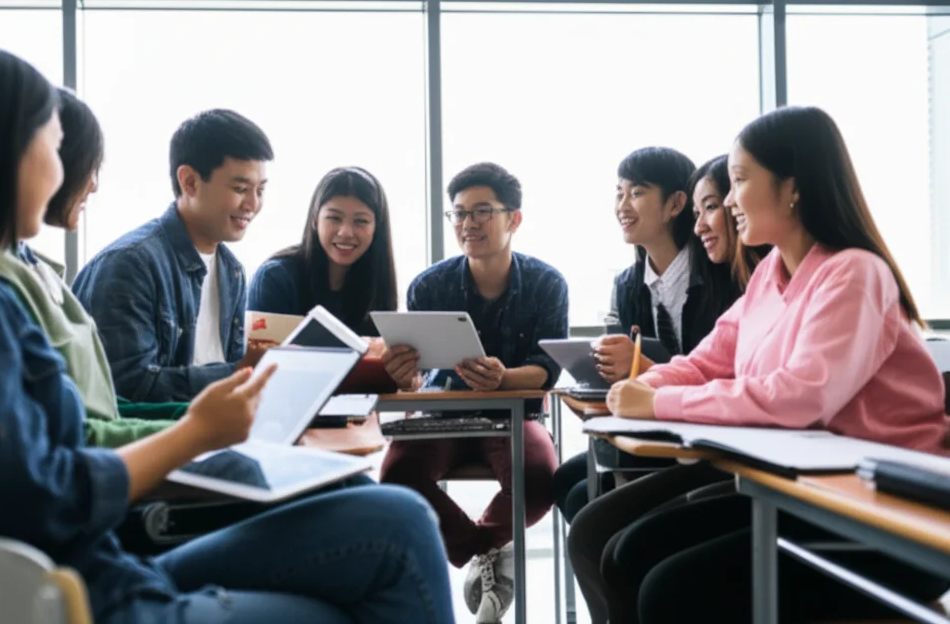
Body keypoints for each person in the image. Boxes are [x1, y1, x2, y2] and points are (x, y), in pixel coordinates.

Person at [0, 38, 456, 624]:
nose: (70, 173)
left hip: (104, 563)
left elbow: (60, 443)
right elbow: (45, 491)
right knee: (391, 532)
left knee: (386, 518)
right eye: (52, 145)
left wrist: (216, 418)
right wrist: (198, 429)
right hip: (99, 582)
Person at [607, 106, 950, 623]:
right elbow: (709, 360)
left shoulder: (855, 273)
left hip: (887, 511)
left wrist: (656, 400)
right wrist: (647, 381)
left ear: (793, 187)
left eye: (740, 180)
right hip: (807, 490)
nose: (727, 199)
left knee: (668, 589)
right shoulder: (770, 271)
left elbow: (799, 397)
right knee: (626, 552)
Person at [562, 153, 771, 624]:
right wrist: (641, 383)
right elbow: (704, 361)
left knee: (614, 540)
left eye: (635, 192)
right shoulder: (764, 281)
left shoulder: (736, 274)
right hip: (713, 443)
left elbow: (758, 386)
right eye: (619, 193)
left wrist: (651, 386)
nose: (707, 223)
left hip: (749, 460)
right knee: (585, 506)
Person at [379, 162, 567, 623]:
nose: (468, 224)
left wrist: (504, 379)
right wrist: (403, 374)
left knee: (541, 479)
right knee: (398, 476)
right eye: (459, 214)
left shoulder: (547, 284)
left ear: (514, 219)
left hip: (513, 416)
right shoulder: (429, 285)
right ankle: (486, 554)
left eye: (482, 211)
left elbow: (548, 371)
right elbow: (417, 376)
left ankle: (482, 553)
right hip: (442, 415)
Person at [0, 87, 174, 447]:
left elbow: (98, 409)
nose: (95, 185)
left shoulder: (31, 264)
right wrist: (198, 433)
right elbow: (71, 437)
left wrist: (192, 419)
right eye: (89, 164)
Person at [73, 108, 273, 403]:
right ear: (190, 181)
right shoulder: (130, 264)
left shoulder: (232, 270)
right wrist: (239, 372)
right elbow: (128, 388)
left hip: (217, 432)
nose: (253, 204)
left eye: (261, 190)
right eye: (240, 188)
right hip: (161, 441)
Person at [248, 166, 397, 336]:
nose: (346, 232)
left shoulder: (377, 283)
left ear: (377, 228)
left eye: (361, 221)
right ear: (314, 220)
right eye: (334, 218)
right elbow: (262, 358)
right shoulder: (276, 278)